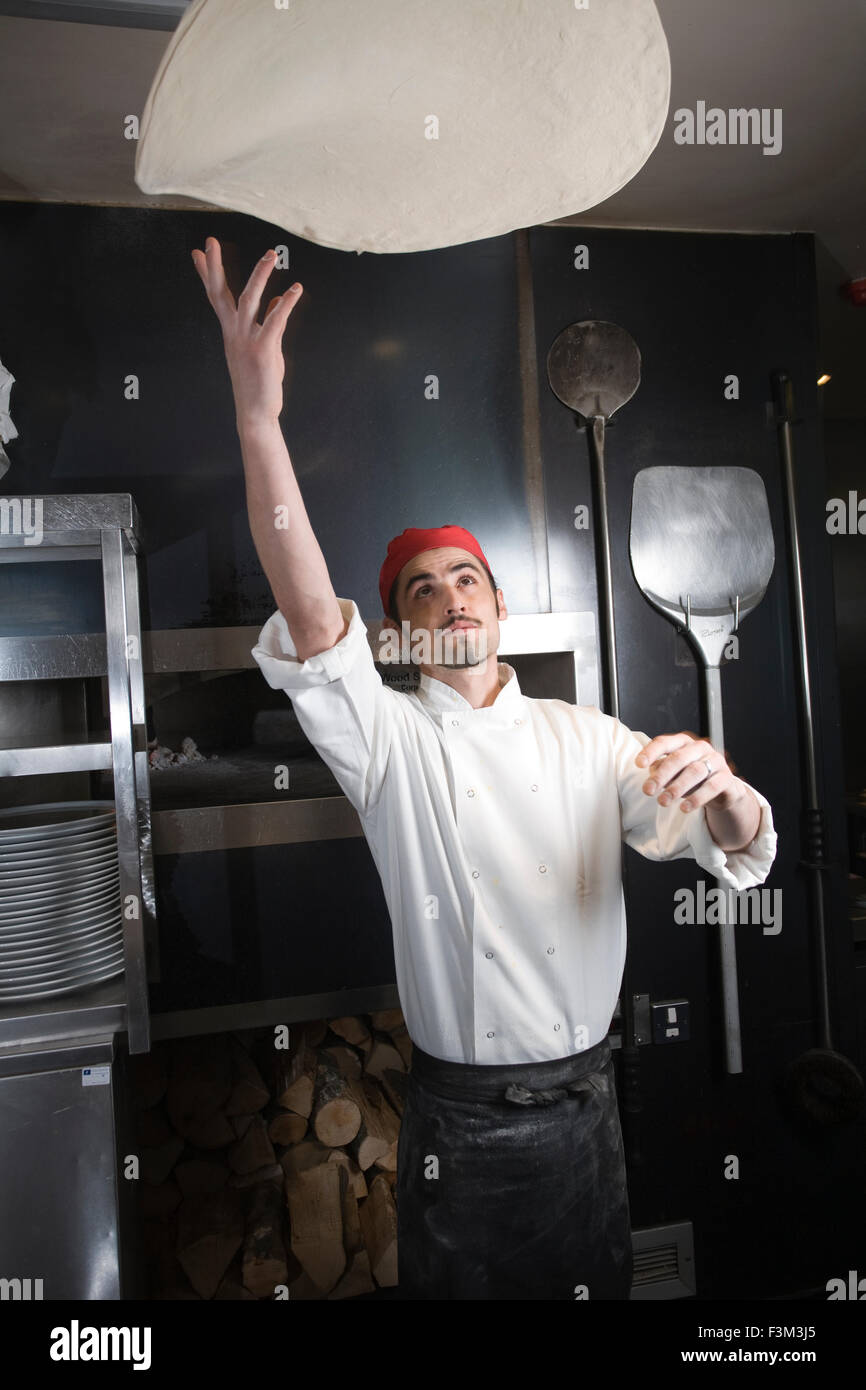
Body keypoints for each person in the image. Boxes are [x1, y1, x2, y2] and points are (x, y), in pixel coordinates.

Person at [191, 238, 778, 1300]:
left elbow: (729, 851)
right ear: (396, 628)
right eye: (422, 589)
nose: (452, 596)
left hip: (593, 1104)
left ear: (500, 607)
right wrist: (257, 419)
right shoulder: (386, 740)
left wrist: (729, 794)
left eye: (468, 577)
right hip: (459, 1122)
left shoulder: (587, 735)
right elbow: (308, 605)